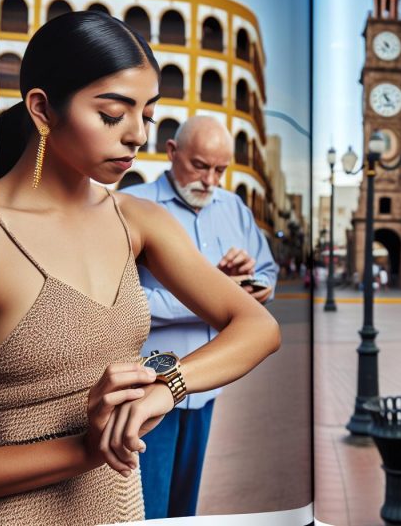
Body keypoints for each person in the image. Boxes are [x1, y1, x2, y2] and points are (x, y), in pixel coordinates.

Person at [0, 11, 280, 525]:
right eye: (112, 114)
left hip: (124, 510)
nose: (137, 135)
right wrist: (86, 449)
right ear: (42, 109)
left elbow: (259, 326)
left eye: (148, 116)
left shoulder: (137, 221)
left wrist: (168, 388)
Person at [122, 116, 277, 518]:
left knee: (184, 510)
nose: (210, 180)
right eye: (200, 166)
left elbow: (267, 271)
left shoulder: (234, 208)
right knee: (147, 509)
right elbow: (118, 301)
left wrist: (255, 286)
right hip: (148, 385)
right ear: (171, 152)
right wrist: (215, 297)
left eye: (220, 170)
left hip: (206, 387)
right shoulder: (131, 205)